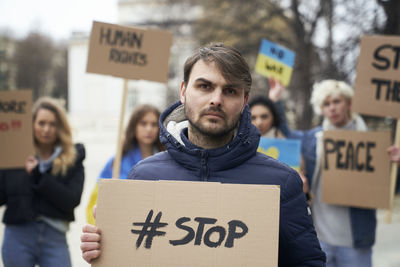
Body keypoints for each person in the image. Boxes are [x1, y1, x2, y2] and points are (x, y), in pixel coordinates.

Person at [80, 43, 326, 266]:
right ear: (183, 91)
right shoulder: (144, 176)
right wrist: (105, 250)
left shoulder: (280, 183)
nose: (216, 99)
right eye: (205, 86)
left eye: (230, 91)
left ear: (244, 101)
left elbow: (309, 263)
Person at [284, 80, 375, 267]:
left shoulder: (371, 141)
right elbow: (286, 134)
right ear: (321, 109)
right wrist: (277, 99)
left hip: (356, 241)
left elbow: (387, 186)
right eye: (326, 104)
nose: (332, 108)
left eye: (336, 101)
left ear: (349, 103)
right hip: (320, 238)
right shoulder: (313, 139)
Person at [0, 97, 85, 267]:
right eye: (41, 123)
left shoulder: (73, 158)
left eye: (52, 124)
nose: (46, 129)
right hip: (18, 236)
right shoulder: (16, 155)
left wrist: (39, 176)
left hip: (55, 237)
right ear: (32, 125)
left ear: (60, 127)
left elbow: (71, 200)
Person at [86, 104, 163, 224]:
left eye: (154, 124)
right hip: (125, 223)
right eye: (143, 123)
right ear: (134, 127)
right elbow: (98, 198)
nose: (149, 129)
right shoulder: (118, 161)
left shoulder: (166, 160)